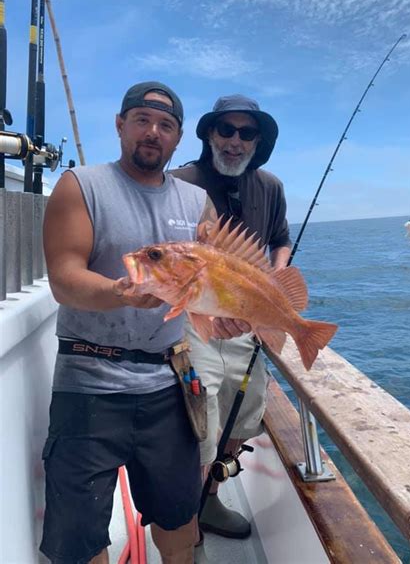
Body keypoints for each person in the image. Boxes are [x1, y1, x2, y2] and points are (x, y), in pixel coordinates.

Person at [39, 81, 219, 564]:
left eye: (166, 125)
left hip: (170, 380)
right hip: (88, 383)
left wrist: (230, 317)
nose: (153, 132)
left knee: (180, 519)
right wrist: (118, 293)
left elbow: (213, 286)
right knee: (79, 539)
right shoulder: (81, 185)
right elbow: (64, 279)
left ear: (178, 139)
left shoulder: (198, 202)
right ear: (120, 125)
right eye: (142, 120)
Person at [171, 95, 291, 543]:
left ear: (258, 141)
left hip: (245, 320)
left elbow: (280, 239)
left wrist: (275, 280)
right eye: (226, 130)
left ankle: (212, 498)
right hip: (193, 319)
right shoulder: (181, 182)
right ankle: (185, 510)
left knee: (244, 415)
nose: (235, 141)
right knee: (198, 415)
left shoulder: (271, 187)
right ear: (208, 134)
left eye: (247, 133)